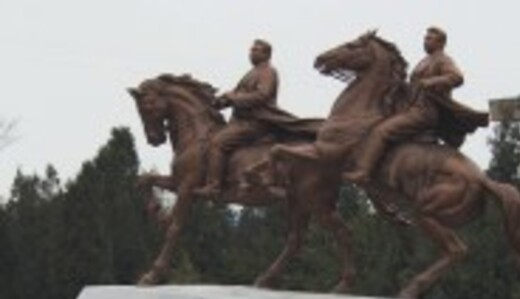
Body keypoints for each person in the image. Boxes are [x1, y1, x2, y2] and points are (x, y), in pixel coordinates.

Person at [343, 26, 488, 185]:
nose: (425, 42)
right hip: (412, 108)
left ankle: (363, 172)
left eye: (430, 39)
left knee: (381, 131)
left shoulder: (443, 60)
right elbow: (415, 87)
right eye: (425, 38)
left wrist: (431, 81)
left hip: (424, 112)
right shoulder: (425, 61)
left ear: (440, 43)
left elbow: (457, 77)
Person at [194, 39, 321, 199]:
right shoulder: (252, 73)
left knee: (217, 143)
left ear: (266, 54)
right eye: (251, 50)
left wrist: (233, 97)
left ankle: (213, 186)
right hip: (241, 122)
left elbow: (262, 96)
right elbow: (236, 95)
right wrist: (220, 102)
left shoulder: (268, 71)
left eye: (256, 50)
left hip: (255, 122)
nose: (251, 53)